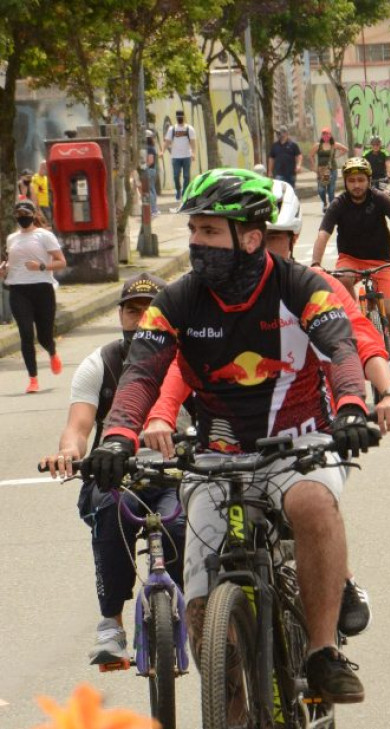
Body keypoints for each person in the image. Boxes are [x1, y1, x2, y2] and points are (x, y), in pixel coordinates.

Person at [88, 168, 375, 704]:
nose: (196, 243)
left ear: (249, 237)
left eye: (209, 231)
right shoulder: (177, 300)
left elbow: (340, 349)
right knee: (199, 606)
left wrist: (355, 408)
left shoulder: (300, 286)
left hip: (300, 444)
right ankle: (232, 707)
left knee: (313, 504)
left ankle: (322, 653)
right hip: (216, 455)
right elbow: (142, 372)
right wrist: (117, 435)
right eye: (193, 229)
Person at [141, 182, 390, 637]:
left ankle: (338, 585)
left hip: (304, 429)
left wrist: (386, 392)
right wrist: (161, 416)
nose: (272, 249)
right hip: (225, 444)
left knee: (312, 505)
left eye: (280, 239)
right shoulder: (202, 297)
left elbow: (357, 341)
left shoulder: (309, 286)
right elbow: (184, 370)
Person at [39, 273, 186, 666]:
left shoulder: (190, 357)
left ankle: (200, 610)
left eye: (150, 311)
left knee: (183, 526)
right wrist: (69, 452)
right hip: (116, 476)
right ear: (120, 314)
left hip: (178, 475)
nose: (140, 320)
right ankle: (112, 625)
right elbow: (78, 428)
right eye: (132, 311)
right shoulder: (99, 363)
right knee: (109, 510)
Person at [312, 157, 390, 390]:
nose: (356, 185)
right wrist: (315, 263)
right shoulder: (339, 203)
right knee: (342, 278)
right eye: (351, 180)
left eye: (361, 180)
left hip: (380, 260)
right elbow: (324, 233)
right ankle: (352, 320)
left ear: (368, 181)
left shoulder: (380, 198)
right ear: (345, 182)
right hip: (349, 260)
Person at [0, 200, 67, 392]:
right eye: (18, 214)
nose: (22, 217)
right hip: (18, 290)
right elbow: (10, 262)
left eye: (25, 213)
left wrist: (42, 267)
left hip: (42, 289)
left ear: (32, 214)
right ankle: (33, 379)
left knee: (45, 336)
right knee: (26, 334)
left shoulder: (44, 236)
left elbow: (61, 262)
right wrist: (4, 270)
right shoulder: (12, 238)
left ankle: (52, 352)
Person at [310, 127, 349, 211]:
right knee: (321, 190)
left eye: (327, 134)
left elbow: (345, 149)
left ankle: (332, 208)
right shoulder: (318, 145)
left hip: (332, 170)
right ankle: (324, 203)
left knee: (331, 190)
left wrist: (337, 156)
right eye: (324, 134)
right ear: (322, 135)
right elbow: (311, 155)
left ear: (330, 135)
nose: (325, 136)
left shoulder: (334, 144)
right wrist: (314, 166)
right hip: (322, 171)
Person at [164, 109, 196, 201]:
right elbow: (167, 141)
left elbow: (193, 142)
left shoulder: (189, 129)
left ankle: (185, 192)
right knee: (175, 175)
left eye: (181, 117)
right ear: (176, 118)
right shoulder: (172, 129)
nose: (180, 118)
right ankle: (178, 190)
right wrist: (162, 151)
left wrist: (193, 153)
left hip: (186, 156)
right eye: (178, 117)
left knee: (186, 176)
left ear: (183, 117)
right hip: (175, 157)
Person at [144, 131, 159, 217]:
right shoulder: (152, 148)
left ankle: (153, 210)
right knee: (152, 189)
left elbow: (150, 161)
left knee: (150, 190)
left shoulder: (148, 148)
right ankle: (154, 209)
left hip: (149, 170)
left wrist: (143, 167)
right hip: (152, 170)